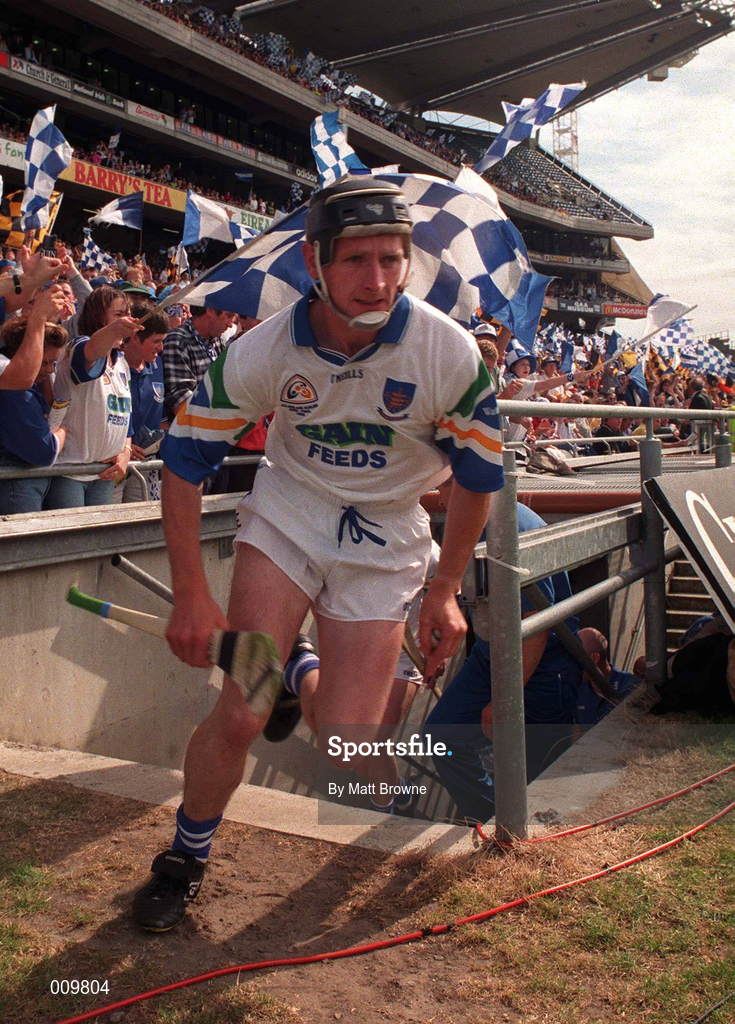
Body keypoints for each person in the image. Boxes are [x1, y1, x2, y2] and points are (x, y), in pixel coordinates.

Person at [132, 176, 505, 931]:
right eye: (356, 260)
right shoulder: (263, 348)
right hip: (289, 516)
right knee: (241, 708)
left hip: (388, 532)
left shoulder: (448, 351)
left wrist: (445, 588)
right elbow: (181, 461)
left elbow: (477, 478)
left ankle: (300, 673)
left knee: (343, 739)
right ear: (313, 260)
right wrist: (191, 593)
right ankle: (182, 860)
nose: (376, 281)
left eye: (391, 259)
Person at [424, 502, 583, 825]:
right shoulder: (472, 519)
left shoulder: (511, 527)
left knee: (537, 776)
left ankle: (523, 835)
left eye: (447, 485)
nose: (442, 497)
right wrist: (443, 647)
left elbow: (534, 626)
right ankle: (494, 823)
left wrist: (504, 699)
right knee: (442, 735)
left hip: (539, 666)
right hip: (490, 653)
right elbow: (469, 590)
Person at [44, 286, 142, 509]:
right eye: (118, 315)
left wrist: (125, 453)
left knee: (99, 543)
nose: (126, 321)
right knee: (71, 542)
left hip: (104, 476)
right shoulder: (78, 347)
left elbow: (125, 422)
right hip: (71, 473)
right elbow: (92, 351)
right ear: (98, 316)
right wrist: (114, 330)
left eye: (127, 314)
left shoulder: (122, 362)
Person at [0, 310, 70, 514]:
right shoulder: (14, 392)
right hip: (16, 486)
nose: (50, 370)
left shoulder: (32, 389)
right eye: (44, 361)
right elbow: (45, 450)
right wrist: (62, 432)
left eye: (53, 363)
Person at [116, 304, 169, 502]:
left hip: (146, 464)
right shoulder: (113, 365)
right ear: (135, 336)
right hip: (114, 462)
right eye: (156, 341)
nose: (160, 348)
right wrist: (124, 447)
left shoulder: (157, 364)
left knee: (142, 525)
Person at [161, 305, 235, 423]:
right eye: (229, 316)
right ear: (210, 310)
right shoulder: (178, 340)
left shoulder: (217, 342)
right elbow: (179, 400)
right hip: (189, 432)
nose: (230, 324)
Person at [573, 628, 640, 728]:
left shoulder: (631, 687)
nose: (571, 663)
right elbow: (577, 732)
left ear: (594, 658)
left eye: (577, 657)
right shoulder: (577, 690)